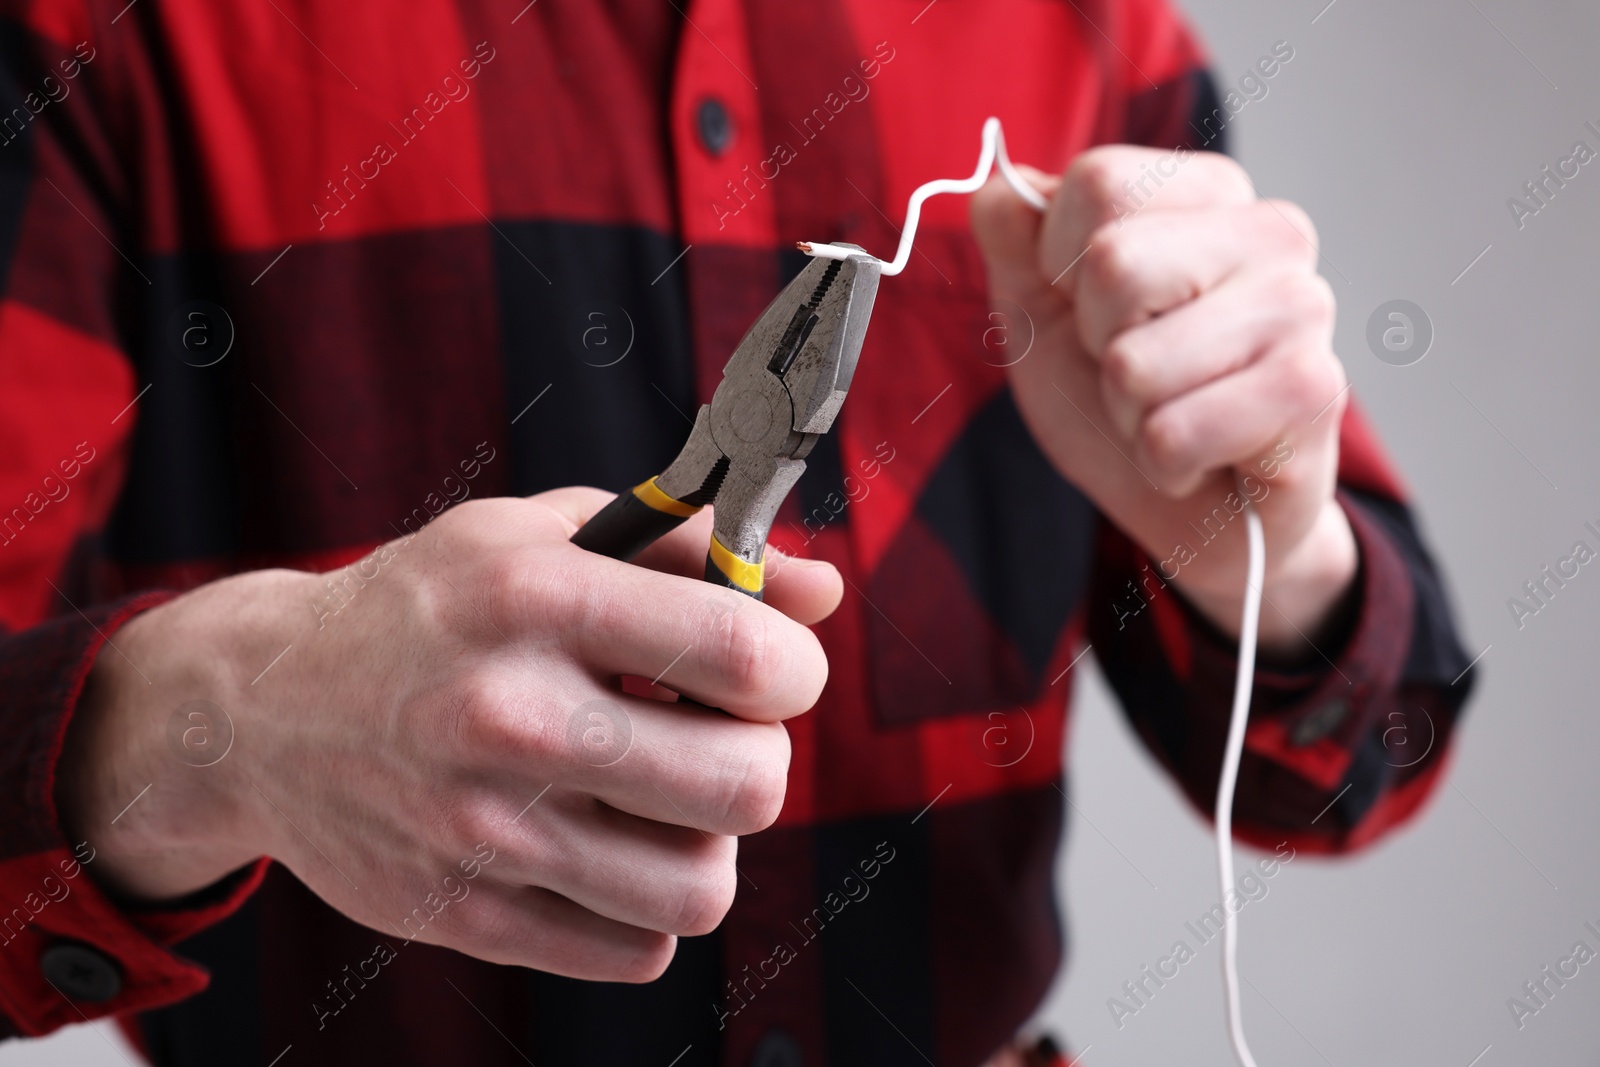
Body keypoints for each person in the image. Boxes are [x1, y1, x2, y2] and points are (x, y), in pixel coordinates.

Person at [0, 0, 1473, 1064]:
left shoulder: (1091, 41)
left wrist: (1252, 550)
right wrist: (226, 713)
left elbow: (1362, 751)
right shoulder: (103, 31)